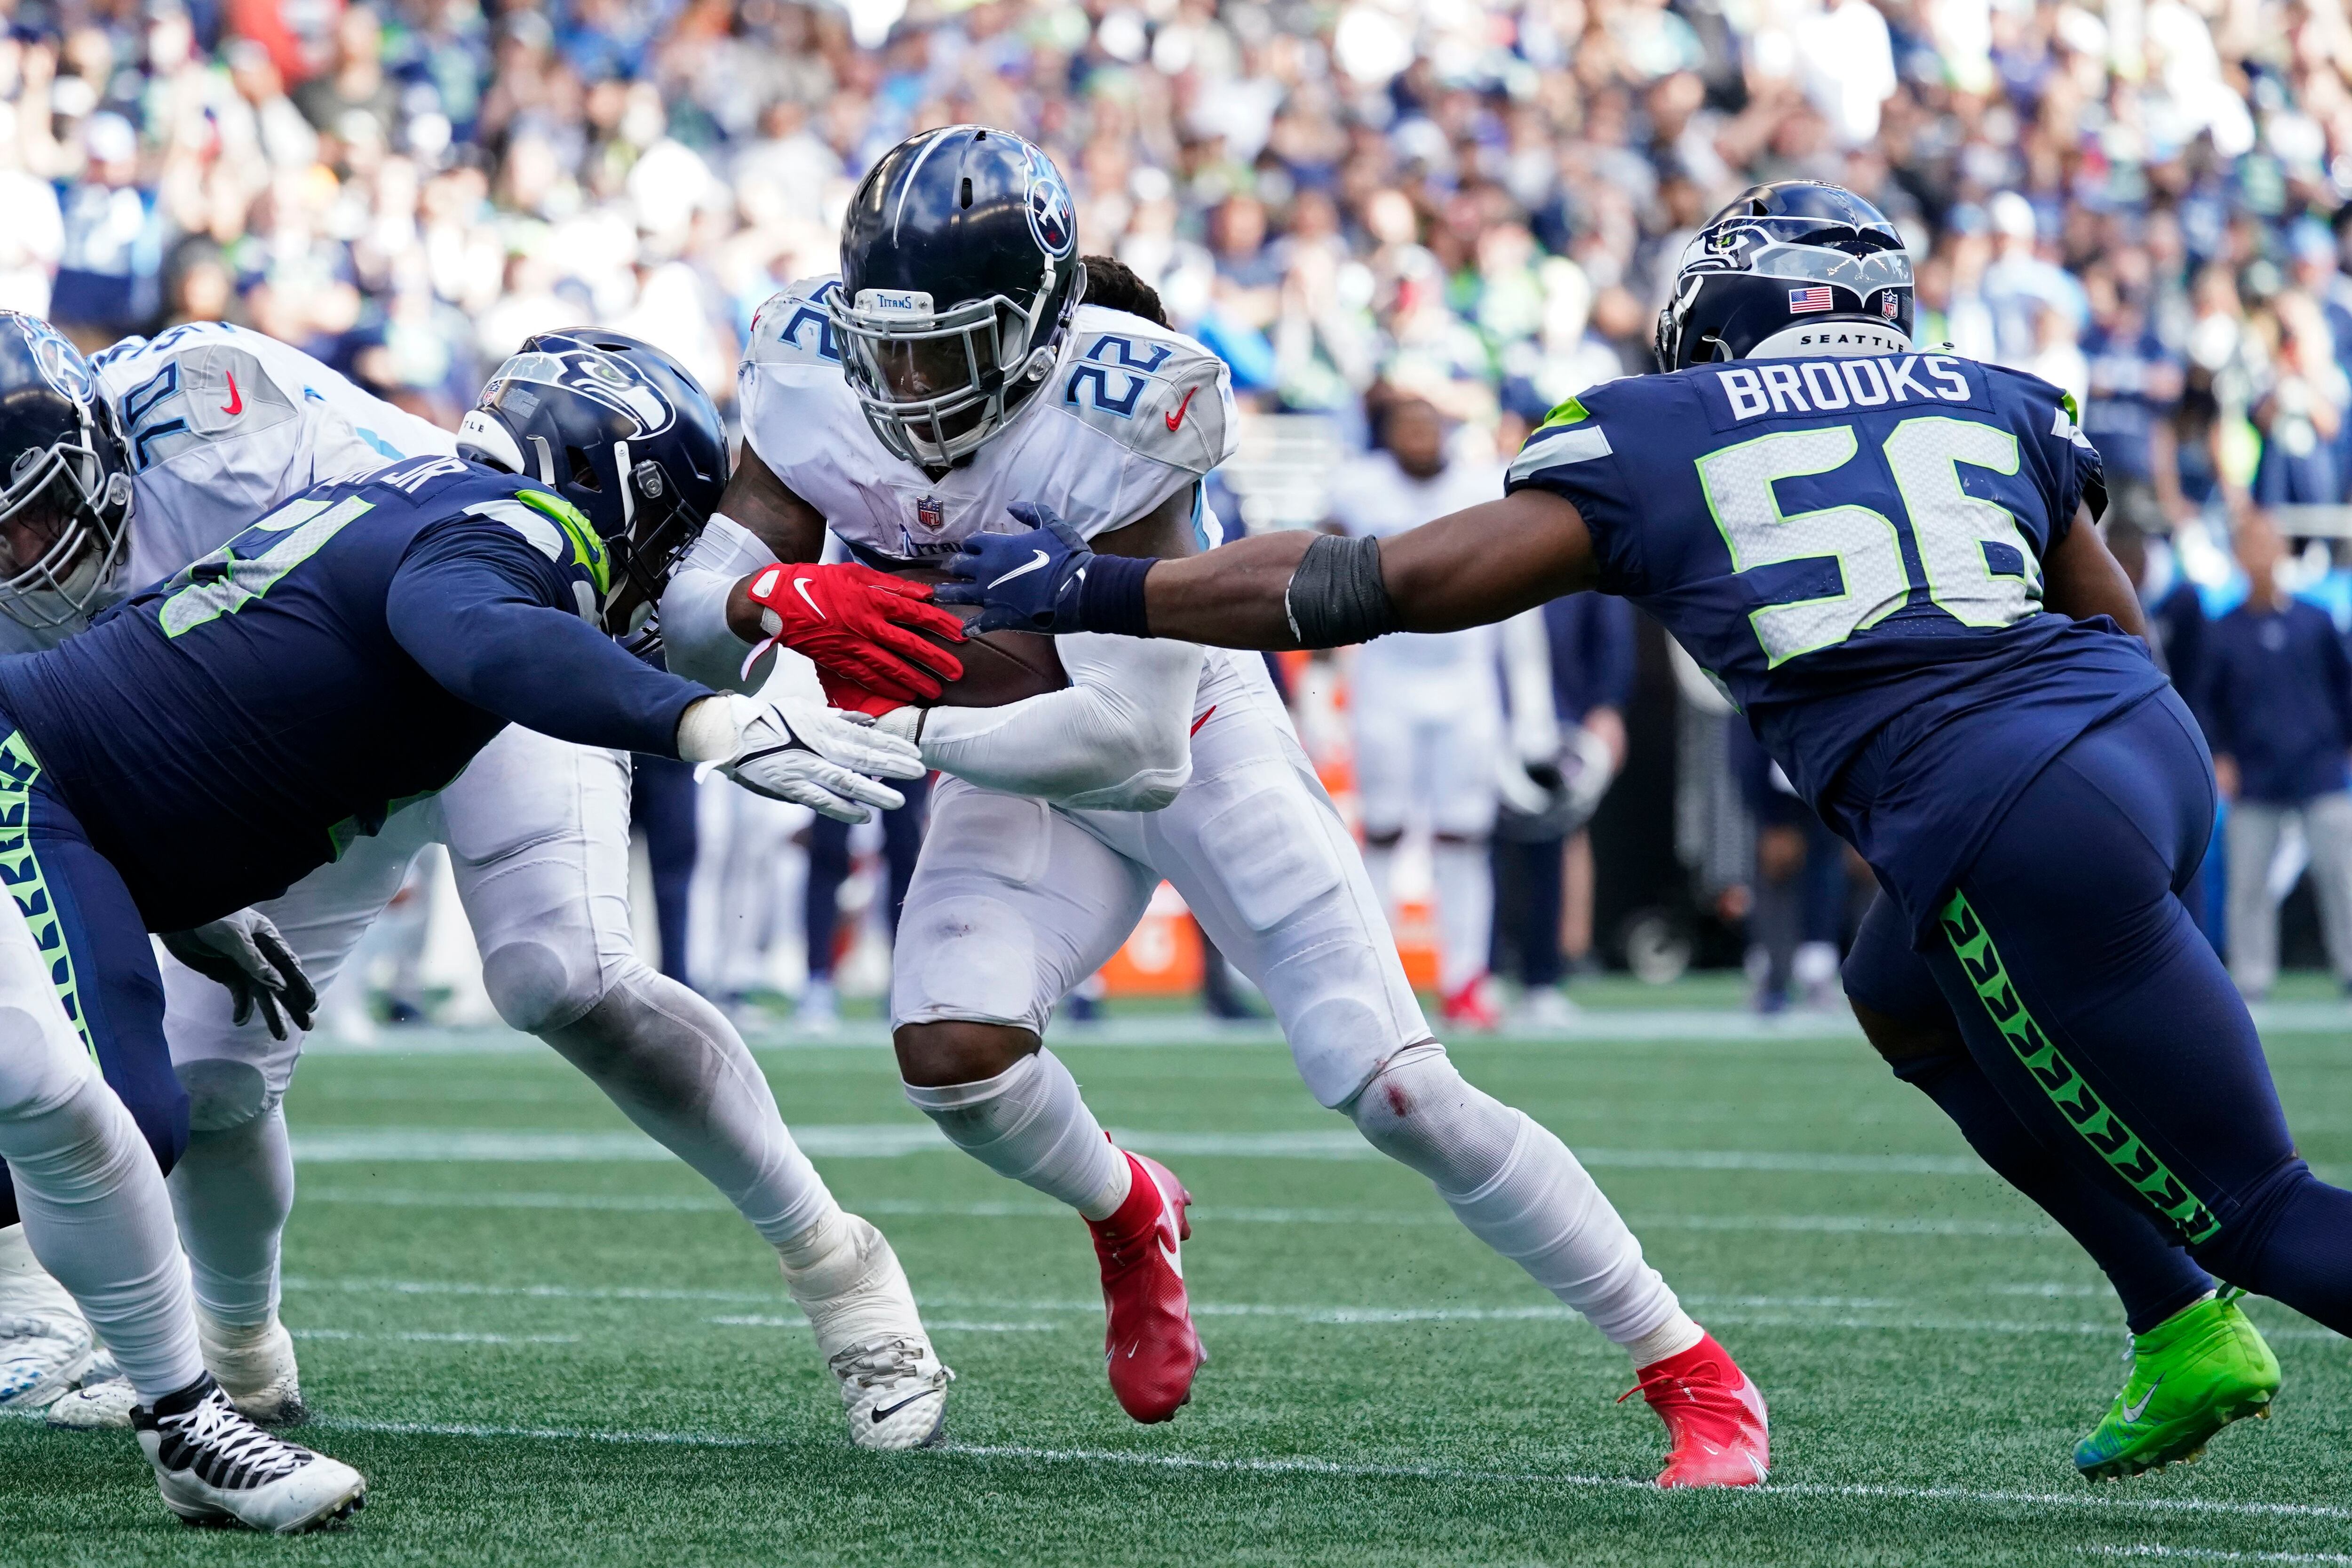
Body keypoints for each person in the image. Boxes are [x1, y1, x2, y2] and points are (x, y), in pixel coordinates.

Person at [948, 181, 2348, 1482]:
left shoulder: (1662, 426)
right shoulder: (2000, 397)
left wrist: (1098, 588)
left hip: (2003, 806)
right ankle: (2171, 1316)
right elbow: (2108, 611)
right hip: (2130, 742)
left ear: (1726, 326)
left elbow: (1374, 582)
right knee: (1898, 996)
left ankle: (2202, 1295)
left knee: (2255, 1208)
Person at [659, 125, 1769, 1488]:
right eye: (888, 340)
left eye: (947, 346)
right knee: (954, 1059)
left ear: (1040, 328)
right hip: (1005, 737)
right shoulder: (804, 366)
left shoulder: (1126, 402)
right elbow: (694, 619)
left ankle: (1692, 1369)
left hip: (1176, 727)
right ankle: (1132, 1206)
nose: (907, 377)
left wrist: (887, 715)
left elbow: (1131, 748)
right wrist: (768, 596)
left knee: (1398, 1087)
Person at [0, 318, 954, 1456]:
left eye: (43, 513)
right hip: (286, 746)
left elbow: (473, 593)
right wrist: (178, 875)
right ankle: (239, 1356)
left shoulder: (225, 421)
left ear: (99, 446)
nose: (23, 553)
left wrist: (712, 686)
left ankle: (839, 1268)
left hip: (473, 655)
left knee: (562, 974)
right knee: (208, 1082)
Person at [1326, 394, 1554, 1030]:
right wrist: (1319, 678)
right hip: (1386, 682)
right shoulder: (1358, 487)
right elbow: (1311, 578)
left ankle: (1465, 981)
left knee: (1464, 835)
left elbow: (1521, 606)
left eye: (1431, 425)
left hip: (1466, 685)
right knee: (1386, 831)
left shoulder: (1483, 487)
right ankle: (1377, 983)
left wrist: (1532, 711)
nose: (1421, 437)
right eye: (1408, 426)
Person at [2201, 511, 2352, 999]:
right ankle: (2251, 977)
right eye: (2251, 544)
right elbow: (2205, 702)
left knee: (2343, 878)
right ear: (2238, 555)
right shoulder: (2222, 631)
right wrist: (2219, 755)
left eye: (2269, 543)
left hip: (2320, 769)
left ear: (2283, 551)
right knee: (2247, 886)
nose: (2262, 554)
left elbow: (2343, 688)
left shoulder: (2315, 621)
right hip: (2254, 775)